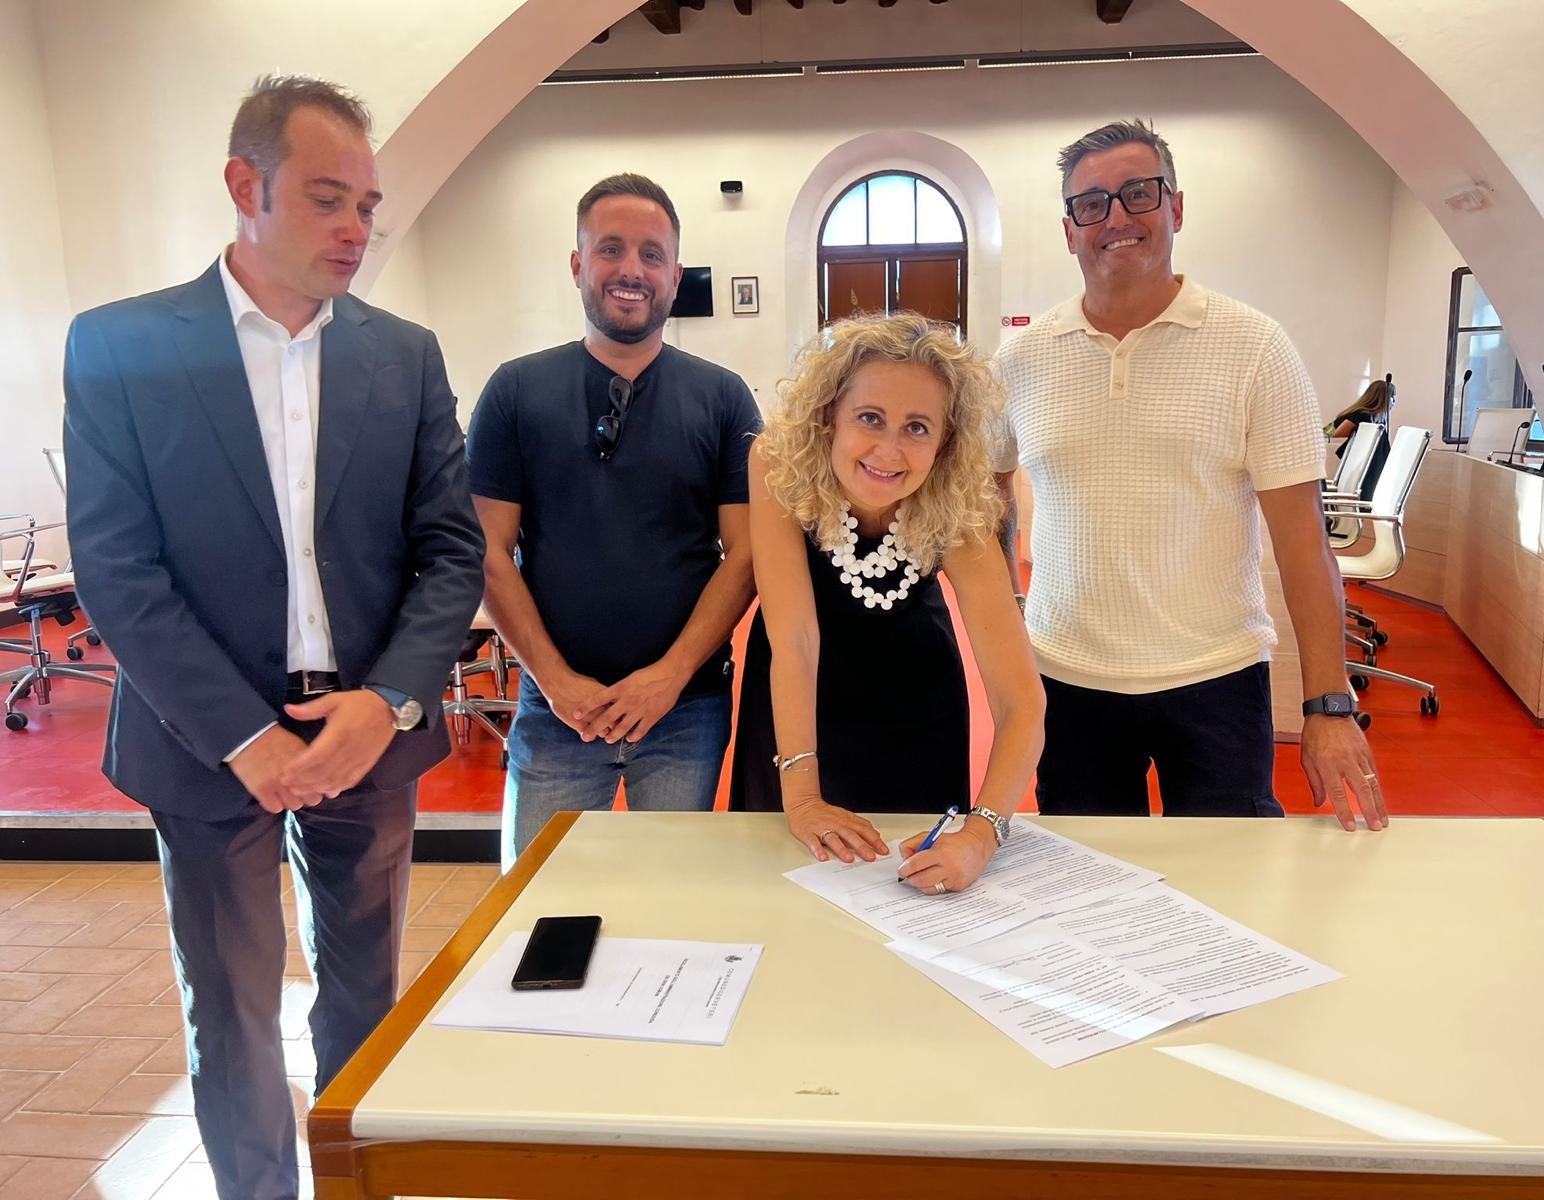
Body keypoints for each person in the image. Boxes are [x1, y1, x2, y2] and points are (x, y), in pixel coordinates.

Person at [63, 76, 484, 1199]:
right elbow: (117, 567)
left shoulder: (405, 355)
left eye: (368, 207)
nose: (355, 229)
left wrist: (387, 703)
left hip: (367, 731)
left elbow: (451, 552)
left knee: (366, 1000)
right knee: (234, 1011)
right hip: (203, 743)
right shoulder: (120, 346)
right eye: (327, 199)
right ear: (245, 186)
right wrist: (242, 737)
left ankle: (355, 1184)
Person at [993, 119, 1386, 833]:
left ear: (1175, 208)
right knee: (1086, 881)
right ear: (1069, 230)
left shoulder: (1255, 347)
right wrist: (1008, 619)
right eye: (1092, 204)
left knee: (1228, 881)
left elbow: (1303, 542)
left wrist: (1329, 705)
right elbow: (989, 500)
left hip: (1216, 679)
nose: (1116, 217)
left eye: (1138, 194)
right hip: (1068, 680)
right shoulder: (1020, 359)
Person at [468, 174, 762, 869]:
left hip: (685, 709)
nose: (632, 270)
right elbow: (486, 551)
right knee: (541, 903)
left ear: (675, 276)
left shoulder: (723, 398)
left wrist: (670, 675)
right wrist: (556, 682)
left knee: (675, 896)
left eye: (651, 255)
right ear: (578, 264)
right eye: (610, 249)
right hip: (555, 711)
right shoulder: (514, 392)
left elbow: (748, 554)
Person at [732, 313, 1045, 894]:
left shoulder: (958, 499)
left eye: (917, 427)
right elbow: (795, 639)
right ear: (830, 415)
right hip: (797, 704)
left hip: (916, 704)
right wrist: (802, 798)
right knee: (781, 885)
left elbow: (1022, 702)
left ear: (945, 442)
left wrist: (981, 834)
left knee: (909, 891)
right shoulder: (779, 460)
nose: (889, 449)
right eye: (870, 418)